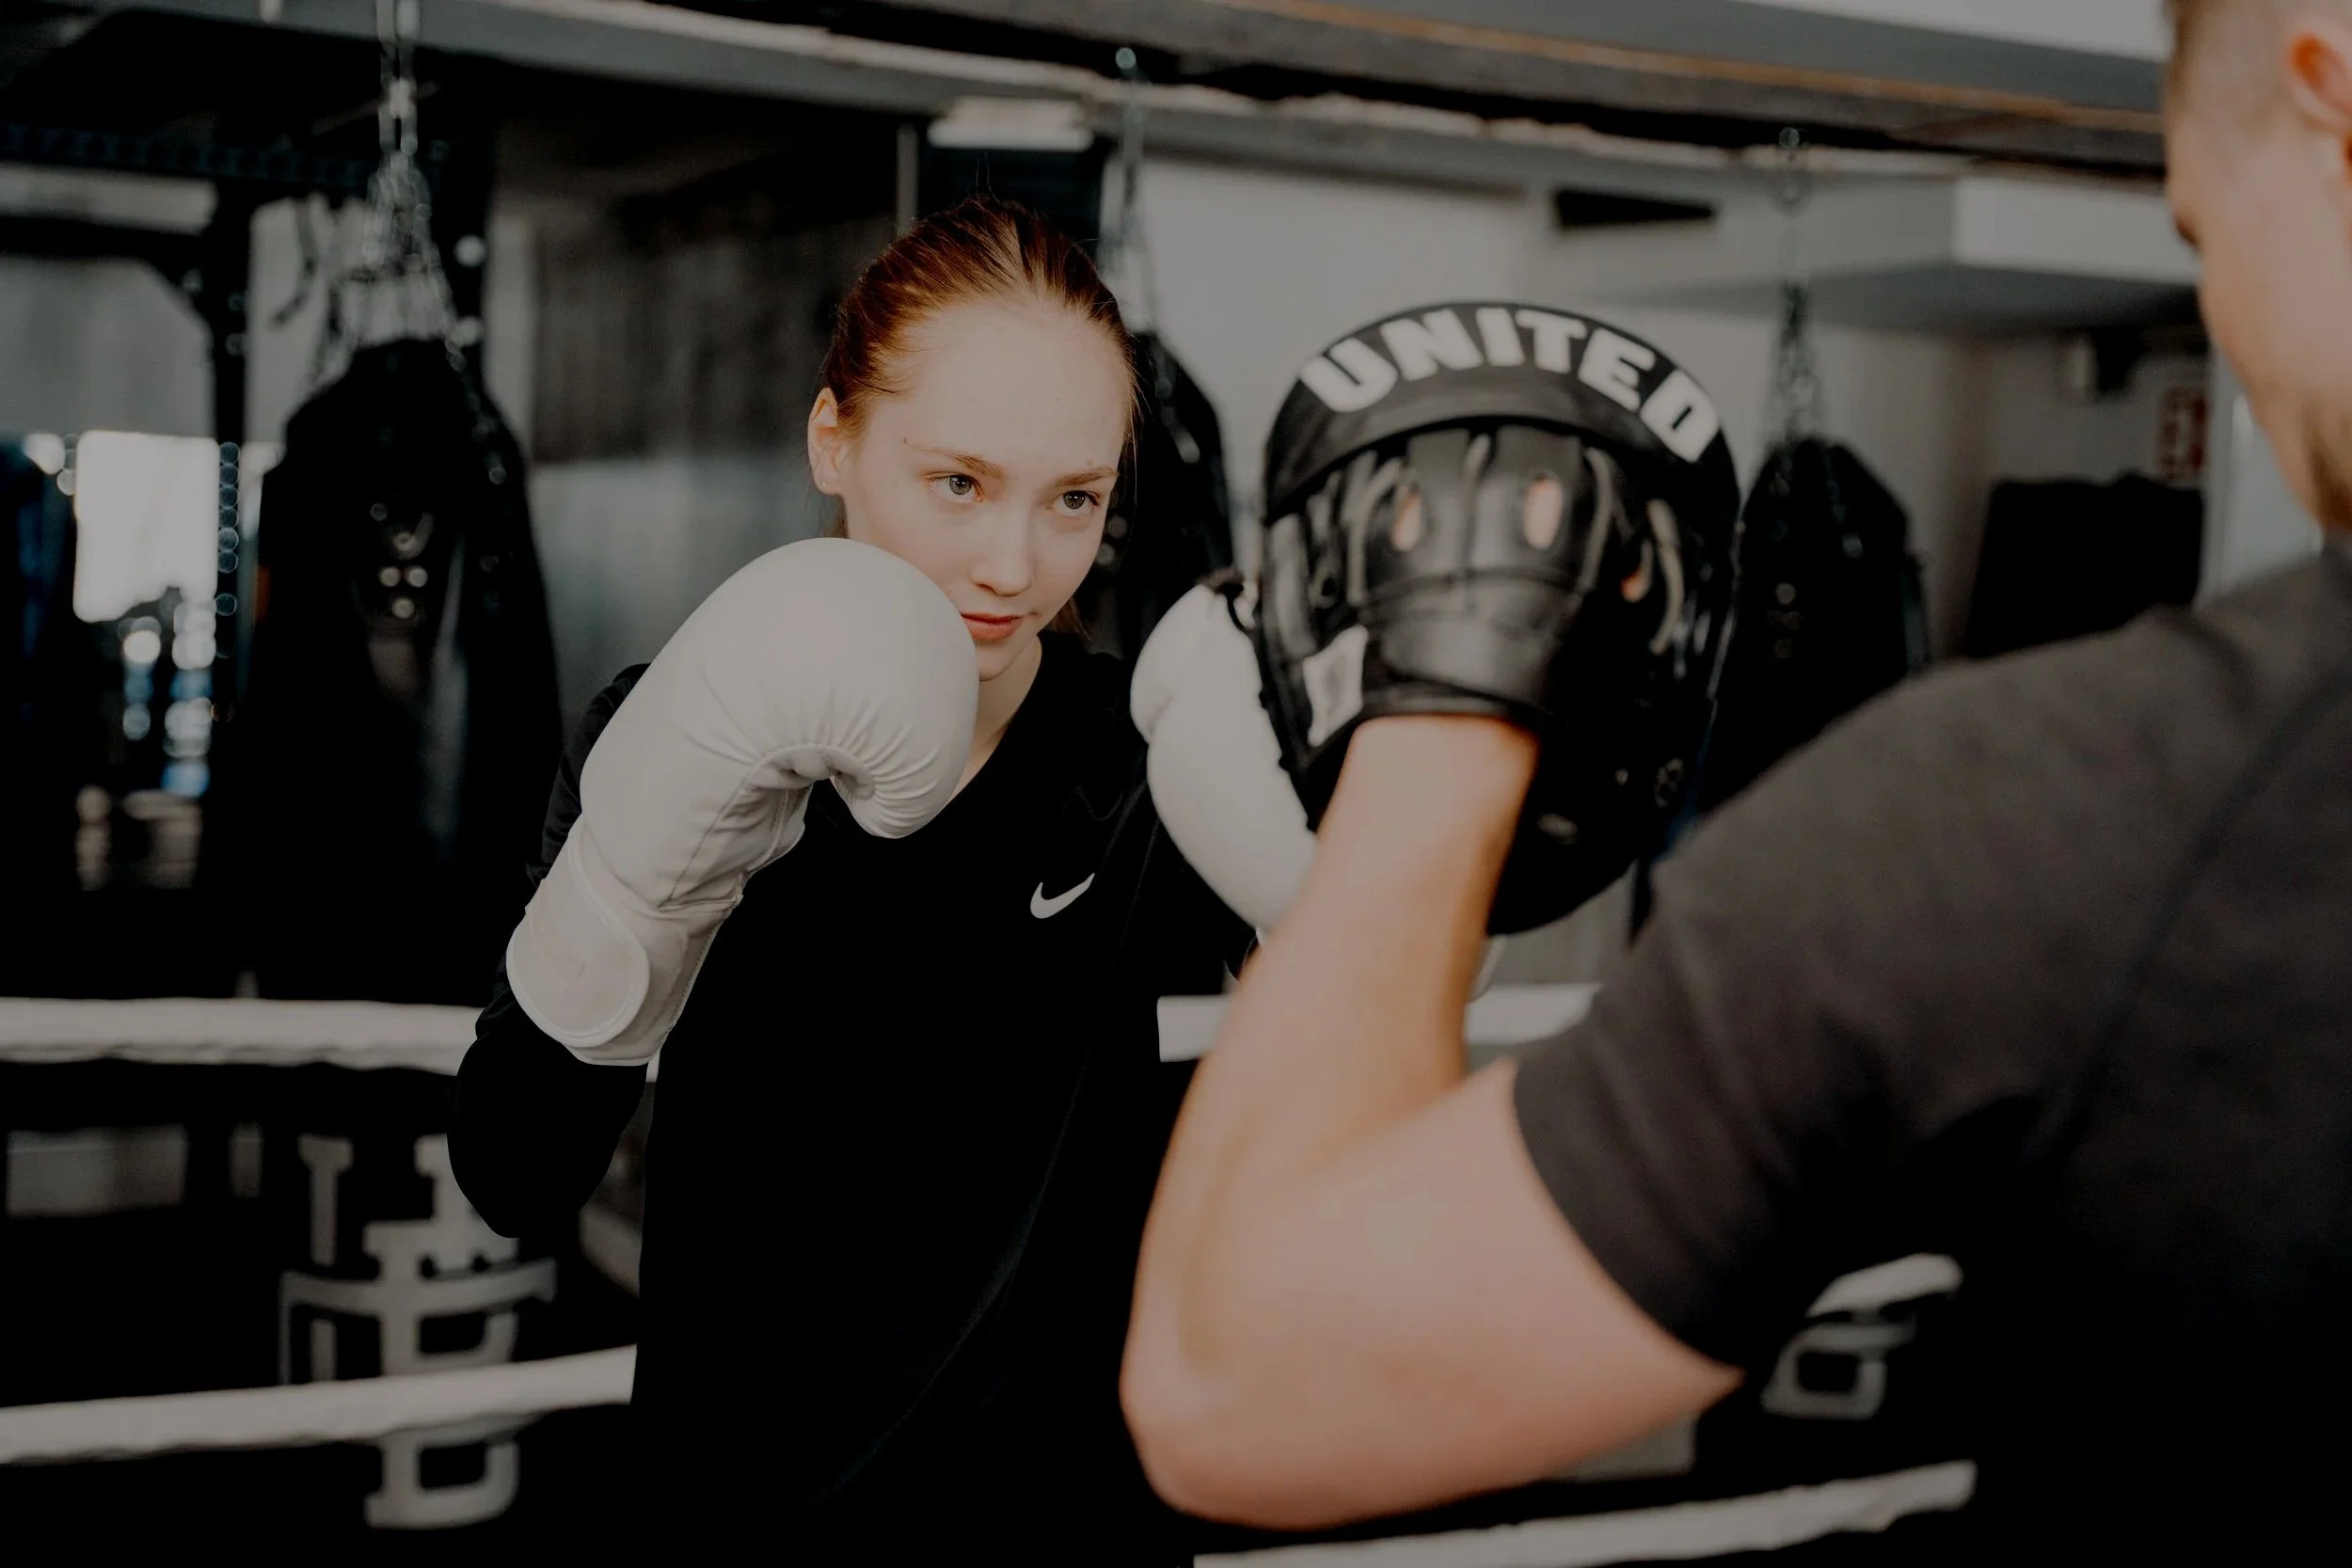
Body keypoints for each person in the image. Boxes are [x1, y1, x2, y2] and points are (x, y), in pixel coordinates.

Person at [1120, 3, 2352, 1556]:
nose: (2223, 316)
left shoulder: (2048, 814)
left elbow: (1240, 1384)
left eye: (2199, 227)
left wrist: (1445, 703)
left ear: (2334, 107)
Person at [452, 194, 1245, 1559]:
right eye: (959, 482)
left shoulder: (1158, 752)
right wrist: (654, 875)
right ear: (836, 438)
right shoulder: (669, 725)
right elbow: (512, 1169)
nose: (1014, 564)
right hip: (747, 1512)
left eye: (1075, 500)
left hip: (1072, 1525)